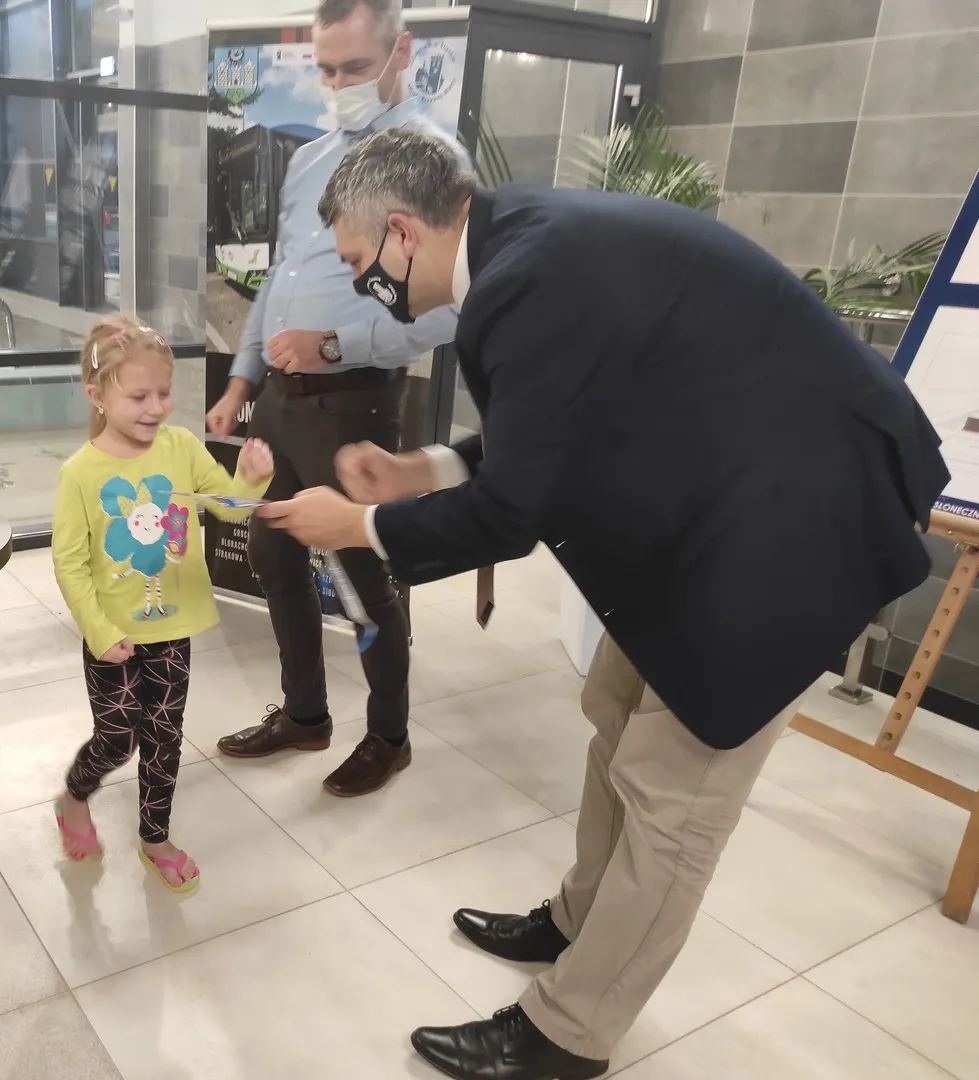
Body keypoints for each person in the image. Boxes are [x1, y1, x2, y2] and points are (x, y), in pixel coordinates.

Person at [261, 128, 949, 1079]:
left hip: (792, 532)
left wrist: (362, 528)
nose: (355, 281)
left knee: (674, 799)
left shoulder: (526, 275)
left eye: (353, 260)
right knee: (616, 709)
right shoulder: (521, 248)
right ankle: (577, 920)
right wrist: (420, 470)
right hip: (719, 509)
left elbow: (513, 511)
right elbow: (561, 426)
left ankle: (567, 1033)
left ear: (403, 234)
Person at [206, 0, 467, 797]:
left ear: (401, 52)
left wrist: (334, 344)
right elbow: (278, 282)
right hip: (280, 401)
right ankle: (304, 714)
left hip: (354, 404)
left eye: (355, 66)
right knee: (271, 553)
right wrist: (242, 379)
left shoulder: (433, 162)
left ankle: (388, 735)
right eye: (324, 69)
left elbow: (448, 307)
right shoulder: (310, 159)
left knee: (360, 574)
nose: (338, 84)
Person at [52, 316, 274, 892]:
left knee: (164, 739)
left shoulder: (181, 447)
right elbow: (69, 564)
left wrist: (250, 481)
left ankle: (155, 838)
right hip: (113, 637)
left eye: (164, 393)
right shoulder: (80, 474)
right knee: (117, 740)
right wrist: (98, 629)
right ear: (98, 396)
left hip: (172, 629)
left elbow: (225, 505)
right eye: (139, 396)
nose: (155, 408)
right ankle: (74, 796)